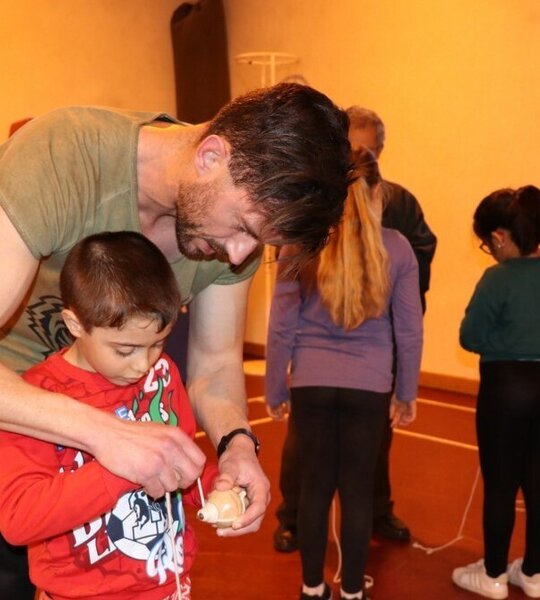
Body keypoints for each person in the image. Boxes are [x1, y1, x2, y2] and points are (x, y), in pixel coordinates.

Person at [0, 82, 351, 597]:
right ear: (211, 156)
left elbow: (215, 364)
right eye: (243, 227)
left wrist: (237, 445)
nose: (239, 255)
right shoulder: (63, 156)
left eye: (260, 243)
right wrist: (108, 436)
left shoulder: (232, 235)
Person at [0, 231, 222, 599]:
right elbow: (19, 519)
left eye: (158, 343)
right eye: (124, 349)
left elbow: (179, 470)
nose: (143, 364)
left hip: (168, 587)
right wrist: (122, 468)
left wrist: (213, 485)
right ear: (75, 325)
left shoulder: (162, 376)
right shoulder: (33, 400)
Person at [273, 105, 436, 552]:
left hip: (374, 352)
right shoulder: (311, 202)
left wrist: (380, 286)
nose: (357, 155)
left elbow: (419, 261)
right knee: (304, 446)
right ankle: (293, 517)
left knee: (374, 445)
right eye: (350, 147)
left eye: (367, 148)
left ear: (380, 152)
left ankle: (377, 512)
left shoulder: (399, 204)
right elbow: (286, 304)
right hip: (319, 359)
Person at [451, 186, 540, 599]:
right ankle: (534, 574)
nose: (489, 251)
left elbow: (470, 336)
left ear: (500, 236)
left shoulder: (498, 278)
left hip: (508, 388)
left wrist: (501, 341)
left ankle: (493, 576)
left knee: (501, 485)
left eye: (487, 244)